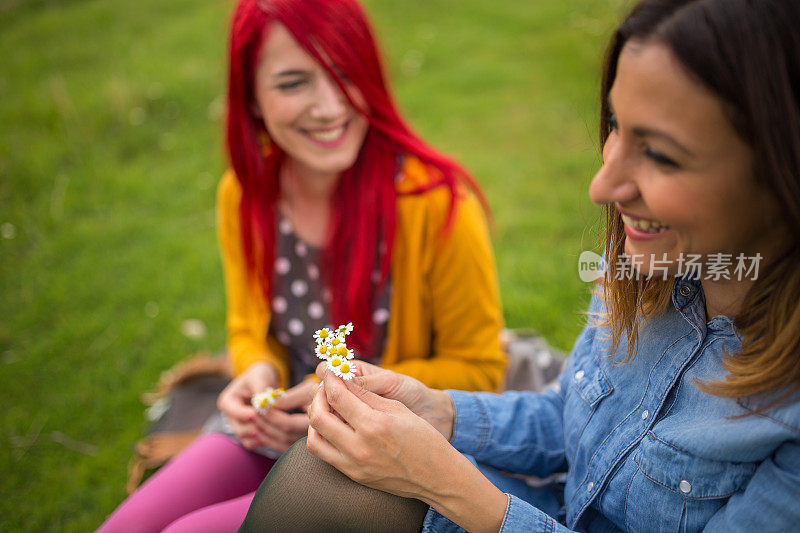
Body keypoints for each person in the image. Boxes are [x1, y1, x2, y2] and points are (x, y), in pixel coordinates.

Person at [240, 0, 800, 531]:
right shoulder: (649, 263)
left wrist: (447, 483)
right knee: (313, 479)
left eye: (661, 154)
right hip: (546, 509)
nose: (601, 185)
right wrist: (440, 412)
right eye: (614, 126)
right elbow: (574, 419)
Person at [97, 0, 505, 530]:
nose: (330, 106)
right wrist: (256, 369)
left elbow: (481, 371)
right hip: (269, 428)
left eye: (345, 72)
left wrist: (344, 393)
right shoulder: (244, 195)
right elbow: (249, 326)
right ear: (253, 99)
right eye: (293, 83)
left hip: (367, 454)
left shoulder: (440, 205)